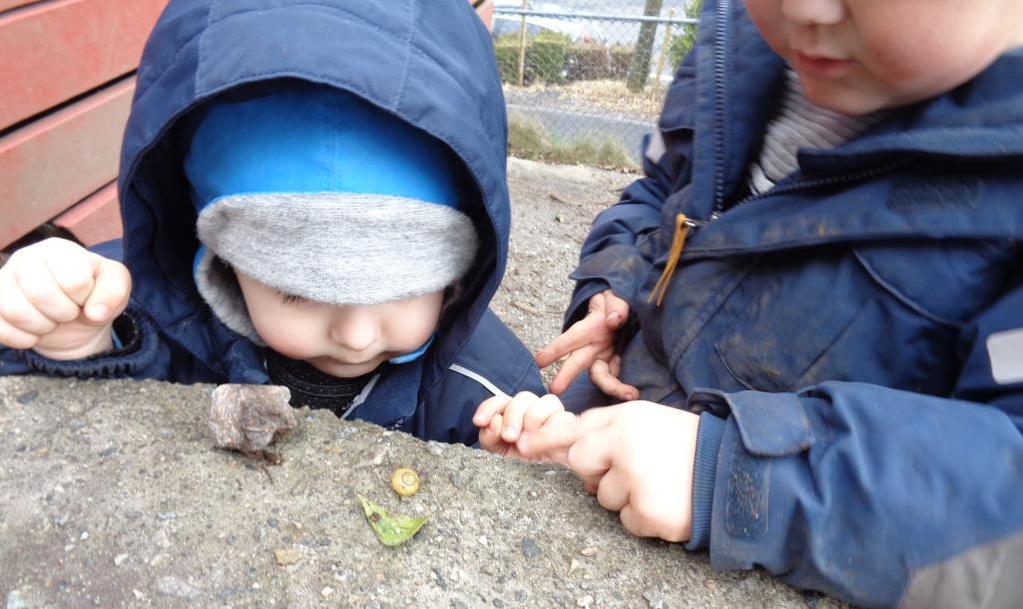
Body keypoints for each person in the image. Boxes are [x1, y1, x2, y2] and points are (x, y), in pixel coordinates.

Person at [475, 0, 1023, 606]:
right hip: (620, 417)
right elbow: (655, 192)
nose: (802, 9)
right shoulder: (729, 52)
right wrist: (612, 290)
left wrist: (741, 475)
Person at [0, 0, 543, 445]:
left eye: (402, 290)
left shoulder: (485, 390)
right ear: (224, 263)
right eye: (297, 292)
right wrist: (82, 343)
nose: (355, 336)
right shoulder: (140, 313)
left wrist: (524, 458)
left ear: (457, 273)